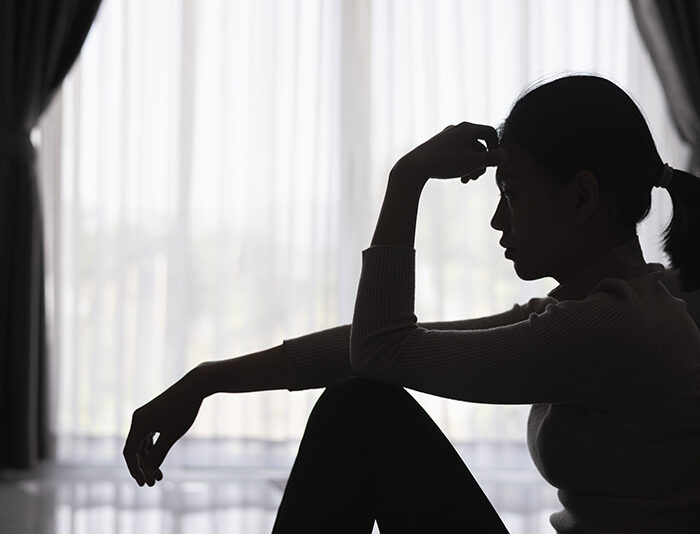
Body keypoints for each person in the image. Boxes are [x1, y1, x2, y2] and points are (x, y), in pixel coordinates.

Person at [123, 73, 700, 533]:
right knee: (360, 401)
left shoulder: (611, 326)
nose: (499, 220)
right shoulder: (598, 311)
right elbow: (367, 349)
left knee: (362, 407)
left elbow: (379, 349)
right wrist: (206, 380)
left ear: (581, 196)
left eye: (513, 194)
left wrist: (409, 177)